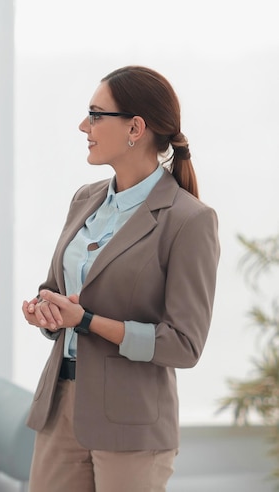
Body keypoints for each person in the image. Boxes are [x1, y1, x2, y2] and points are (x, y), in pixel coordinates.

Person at [21, 65, 220, 492]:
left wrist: (87, 321)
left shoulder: (189, 221)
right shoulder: (85, 199)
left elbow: (183, 345)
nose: (83, 126)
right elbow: (58, 290)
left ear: (135, 127)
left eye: (95, 114)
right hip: (60, 407)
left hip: (132, 422)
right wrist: (47, 311)